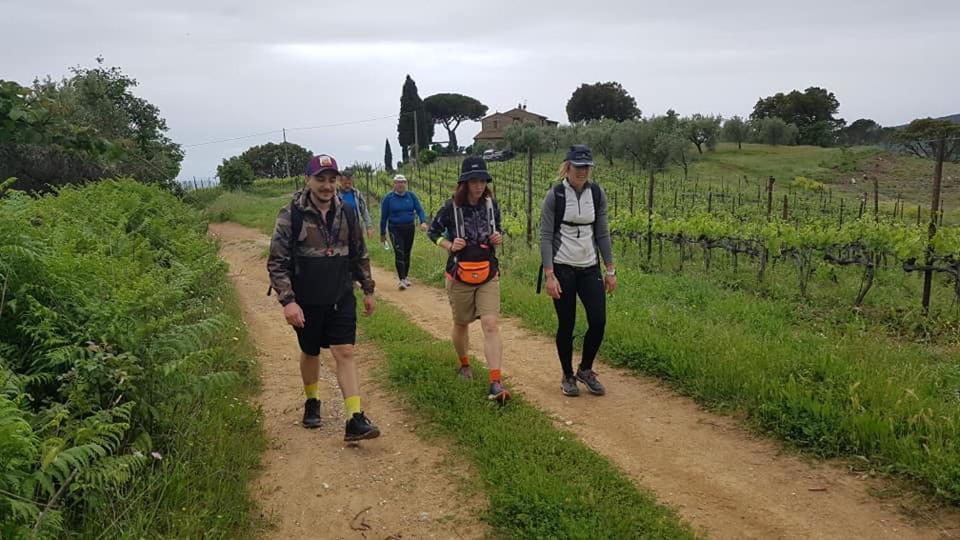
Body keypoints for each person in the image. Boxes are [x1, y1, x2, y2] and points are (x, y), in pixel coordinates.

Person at [267, 154, 381, 441]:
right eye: (320, 179)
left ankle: (355, 418)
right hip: (306, 298)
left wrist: (367, 289)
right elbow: (277, 262)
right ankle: (312, 400)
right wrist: (288, 301)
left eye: (332, 180)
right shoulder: (290, 214)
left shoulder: (348, 213)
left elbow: (359, 254)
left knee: (345, 351)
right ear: (308, 179)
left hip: (340, 294)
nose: (327, 186)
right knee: (311, 352)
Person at [427, 156, 510, 403]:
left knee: (490, 324)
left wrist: (498, 237)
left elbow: (499, 229)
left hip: (488, 271)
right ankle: (464, 364)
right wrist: (449, 244)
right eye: (473, 181)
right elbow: (433, 233)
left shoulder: (491, 205)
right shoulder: (450, 207)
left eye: (482, 180)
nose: (478, 186)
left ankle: (495, 381)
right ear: (464, 183)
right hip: (459, 273)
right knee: (461, 323)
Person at [539, 145, 616, 397]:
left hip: (589, 266)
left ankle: (585, 369)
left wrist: (610, 269)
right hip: (562, 267)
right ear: (568, 166)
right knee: (567, 324)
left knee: (598, 321)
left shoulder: (596, 194)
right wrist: (549, 275)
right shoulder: (556, 195)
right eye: (578, 166)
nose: (583, 171)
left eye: (587, 167)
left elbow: (602, 232)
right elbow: (546, 236)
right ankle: (567, 375)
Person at [380, 174, 428, 290]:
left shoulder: (411, 196)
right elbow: (384, 217)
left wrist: (423, 221)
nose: (401, 185)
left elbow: (420, 210)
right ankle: (401, 279)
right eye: (398, 182)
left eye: (403, 182)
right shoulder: (388, 198)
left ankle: (405, 277)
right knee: (399, 252)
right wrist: (382, 233)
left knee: (407, 252)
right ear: (394, 184)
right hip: (395, 229)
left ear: (406, 184)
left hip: (409, 228)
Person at [337, 168, 374, 238]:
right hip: (341, 230)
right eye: (345, 183)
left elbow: (364, 211)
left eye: (349, 183)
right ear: (340, 181)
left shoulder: (357, 194)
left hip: (357, 228)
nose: (347, 185)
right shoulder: (335, 195)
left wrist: (369, 227)